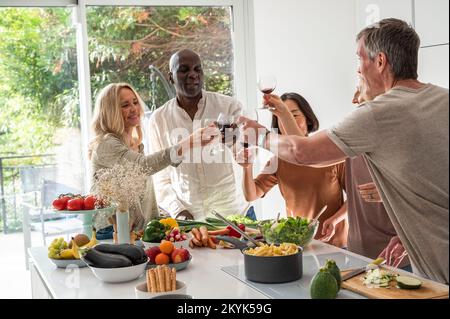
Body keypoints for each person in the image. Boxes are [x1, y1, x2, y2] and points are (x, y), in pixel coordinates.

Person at [240, 19, 449, 284]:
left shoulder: (378, 112)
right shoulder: (443, 99)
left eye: (359, 61)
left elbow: (302, 152)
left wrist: (257, 134)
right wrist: (411, 232)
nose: (358, 71)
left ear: (380, 62)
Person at [89, 82, 216, 238]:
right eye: (125, 105)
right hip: (111, 231)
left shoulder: (136, 146)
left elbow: (144, 197)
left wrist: (162, 219)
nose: (134, 108)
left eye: (135, 102)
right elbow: (143, 166)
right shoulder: (107, 144)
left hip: (135, 231)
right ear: (111, 112)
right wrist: (190, 142)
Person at [148, 49, 251, 221]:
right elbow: (160, 178)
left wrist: (235, 142)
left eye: (198, 69)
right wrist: (178, 210)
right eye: (184, 69)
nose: (193, 75)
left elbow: (246, 156)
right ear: (170, 77)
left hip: (234, 214)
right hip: (189, 219)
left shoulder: (229, 107)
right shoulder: (158, 120)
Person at [236, 92, 348, 248]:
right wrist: (247, 168)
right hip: (297, 244)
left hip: (335, 243)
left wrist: (335, 219)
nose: (288, 121)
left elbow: (355, 198)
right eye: (282, 117)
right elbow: (251, 194)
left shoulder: (328, 156)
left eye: (294, 115)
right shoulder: (278, 160)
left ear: (308, 119)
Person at [320, 80, 410, 269]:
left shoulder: (401, 142)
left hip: (395, 256)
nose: (354, 100)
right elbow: (356, 193)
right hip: (356, 252)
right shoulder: (352, 142)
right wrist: (337, 218)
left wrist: (389, 190)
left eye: (359, 92)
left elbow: (427, 196)